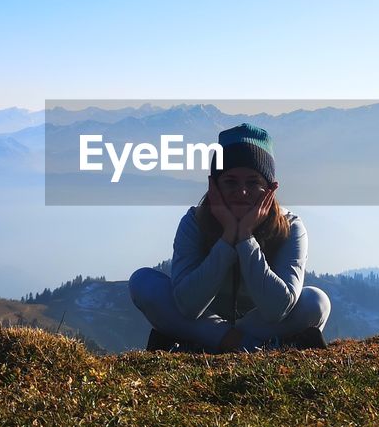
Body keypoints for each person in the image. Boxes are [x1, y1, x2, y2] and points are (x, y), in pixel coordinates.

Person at [128, 123, 330, 352]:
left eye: (253, 182)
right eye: (230, 181)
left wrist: (244, 239)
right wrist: (226, 241)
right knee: (142, 282)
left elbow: (277, 309)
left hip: (239, 327)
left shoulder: (291, 228)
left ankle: (206, 344)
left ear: (271, 188)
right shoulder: (195, 222)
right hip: (206, 321)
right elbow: (187, 305)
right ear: (214, 185)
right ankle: (252, 346)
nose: (242, 192)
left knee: (316, 302)